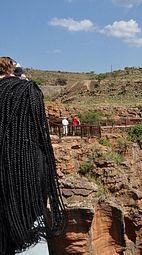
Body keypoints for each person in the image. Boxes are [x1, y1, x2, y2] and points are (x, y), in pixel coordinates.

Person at [0, 56, 65, 254]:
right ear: (12, 69)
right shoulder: (29, 90)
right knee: (29, 222)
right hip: (30, 168)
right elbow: (40, 131)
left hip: (4, 167)